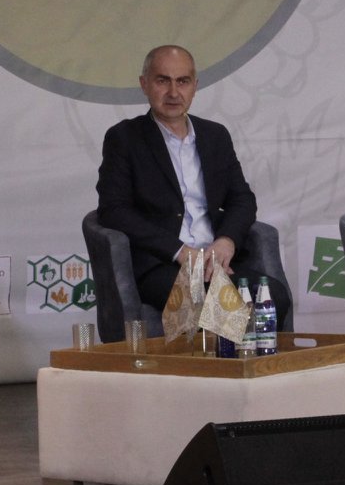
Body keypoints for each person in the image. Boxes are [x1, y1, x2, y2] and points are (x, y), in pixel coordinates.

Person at [96, 45, 293, 339]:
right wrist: (180, 252)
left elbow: (242, 198)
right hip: (163, 264)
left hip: (215, 260)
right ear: (144, 84)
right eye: (163, 81)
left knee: (274, 295)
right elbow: (114, 209)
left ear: (195, 86)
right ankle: (222, 365)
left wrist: (226, 241)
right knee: (217, 308)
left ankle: (251, 365)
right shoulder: (125, 138)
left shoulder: (215, 136)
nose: (174, 92)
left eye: (183, 81)